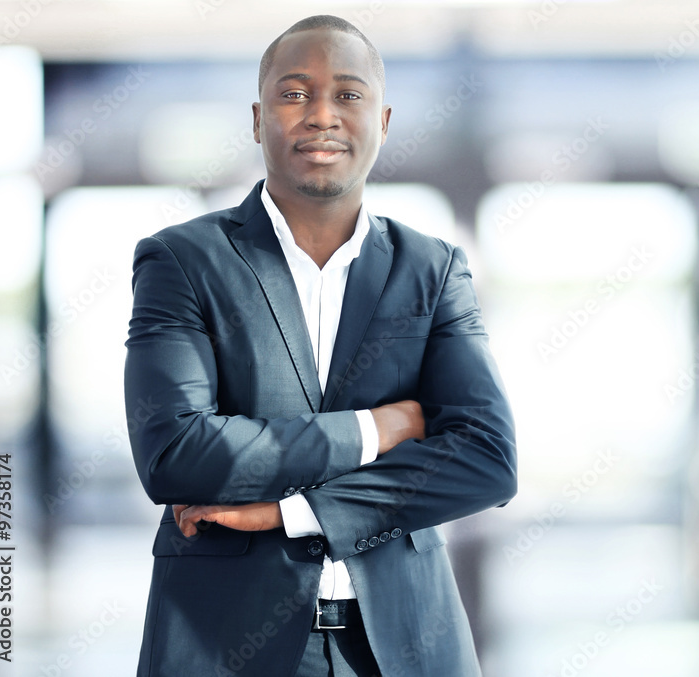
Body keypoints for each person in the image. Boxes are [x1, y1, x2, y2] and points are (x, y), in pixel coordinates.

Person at [123, 14, 516, 677]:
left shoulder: (432, 268)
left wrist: (292, 511)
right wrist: (377, 428)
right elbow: (174, 453)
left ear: (383, 121)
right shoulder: (182, 260)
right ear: (257, 118)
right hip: (225, 643)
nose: (322, 115)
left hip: (402, 646)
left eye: (349, 95)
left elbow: (486, 458)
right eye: (295, 92)